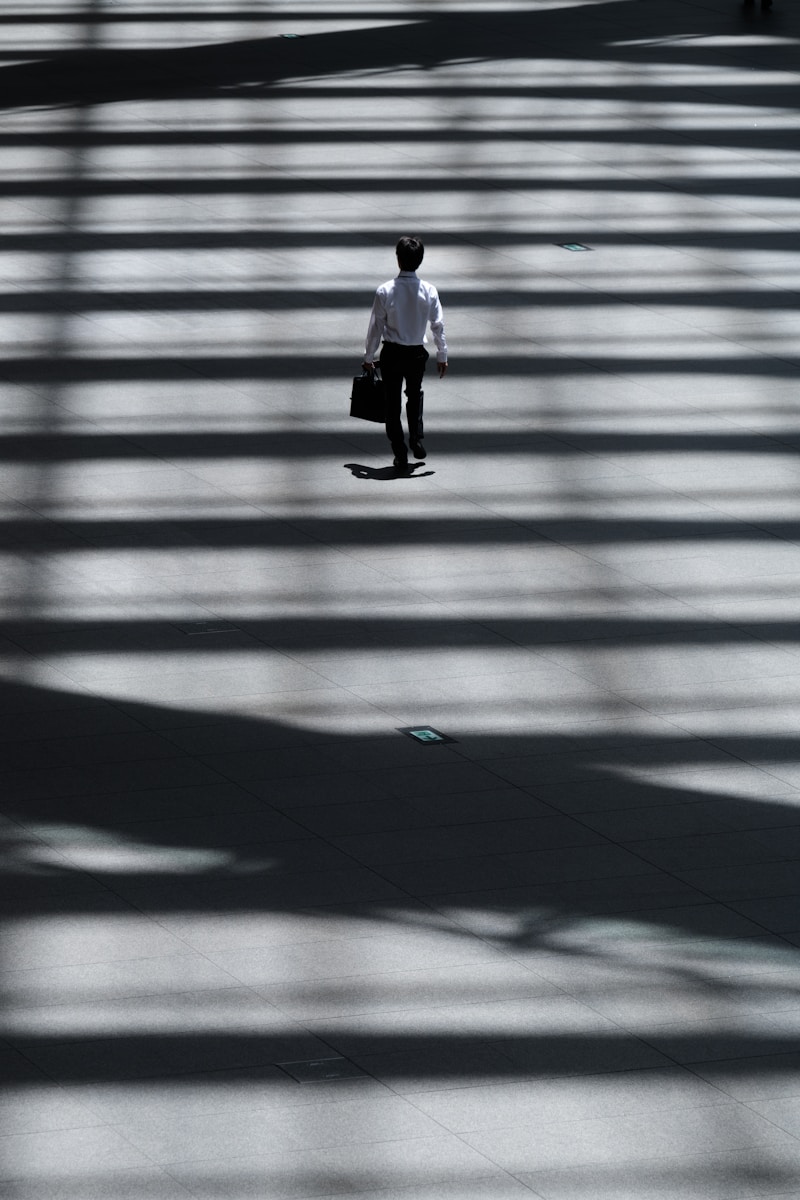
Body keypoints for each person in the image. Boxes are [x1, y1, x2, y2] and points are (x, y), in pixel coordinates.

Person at [363, 236, 448, 468]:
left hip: (392, 353)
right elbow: (437, 325)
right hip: (416, 354)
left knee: (392, 402)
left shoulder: (385, 291)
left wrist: (369, 357)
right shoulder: (429, 291)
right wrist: (442, 354)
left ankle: (399, 450)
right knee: (414, 394)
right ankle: (416, 438)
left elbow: (375, 327)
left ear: (398, 259)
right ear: (420, 261)